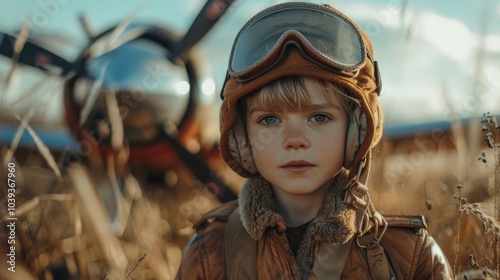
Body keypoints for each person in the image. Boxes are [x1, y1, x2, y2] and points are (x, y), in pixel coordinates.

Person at [175, 2, 453, 279]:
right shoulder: (208, 254)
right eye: (270, 120)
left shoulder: (410, 256)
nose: (295, 141)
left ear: (356, 130)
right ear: (242, 137)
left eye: (319, 117)